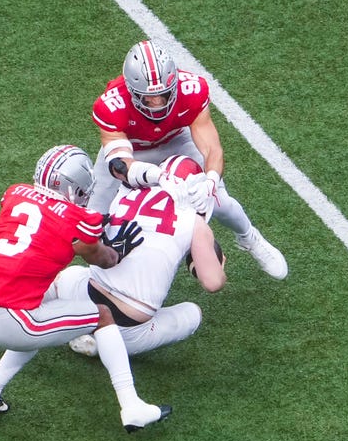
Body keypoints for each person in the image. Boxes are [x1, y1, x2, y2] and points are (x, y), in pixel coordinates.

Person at [0, 144, 171, 433]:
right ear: (72, 185)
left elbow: (38, 235)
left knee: (39, 310)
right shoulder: (78, 219)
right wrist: (115, 251)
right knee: (101, 315)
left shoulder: (15, 194)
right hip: (14, 321)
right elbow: (101, 258)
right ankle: (132, 406)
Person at [88, 39, 288, 280]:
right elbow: (120, 165)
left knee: (219, 201)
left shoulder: (191, 89)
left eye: (163, 95)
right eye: (148, 99)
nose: (157, 104)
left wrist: (211, 182)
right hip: (134, 150)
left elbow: (212, 149)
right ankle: (102, 280)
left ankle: (249, 237)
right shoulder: (111, 104)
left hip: (176, 140)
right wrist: (157, 176)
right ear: (131, 91)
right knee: (93, 219)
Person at [53, 155, 227, 358]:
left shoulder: (127, 191)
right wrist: (218, 266)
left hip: (87, 294)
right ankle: (103, 345)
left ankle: (56, 315)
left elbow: (117, 165)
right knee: (192, 314)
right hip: (128, 325)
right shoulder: (195, 222)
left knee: (71, 274)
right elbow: (213, 282)